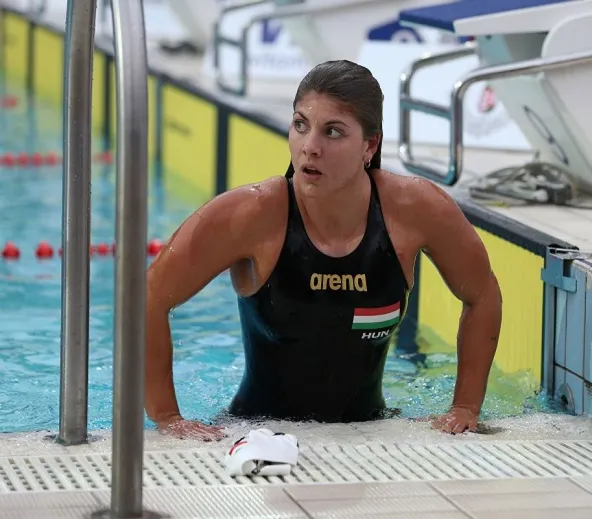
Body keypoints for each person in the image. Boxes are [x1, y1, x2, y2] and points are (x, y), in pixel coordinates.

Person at [144, 60, 503, 441]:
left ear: (370, 145)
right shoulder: (252, 214)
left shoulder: (413, 209)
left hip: (370, 432)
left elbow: (482, 294)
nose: (310, 147)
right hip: (256, 436)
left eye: (333, 132)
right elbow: (148, 296)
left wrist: (465, 408)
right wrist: (168, 417)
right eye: (301, 125)